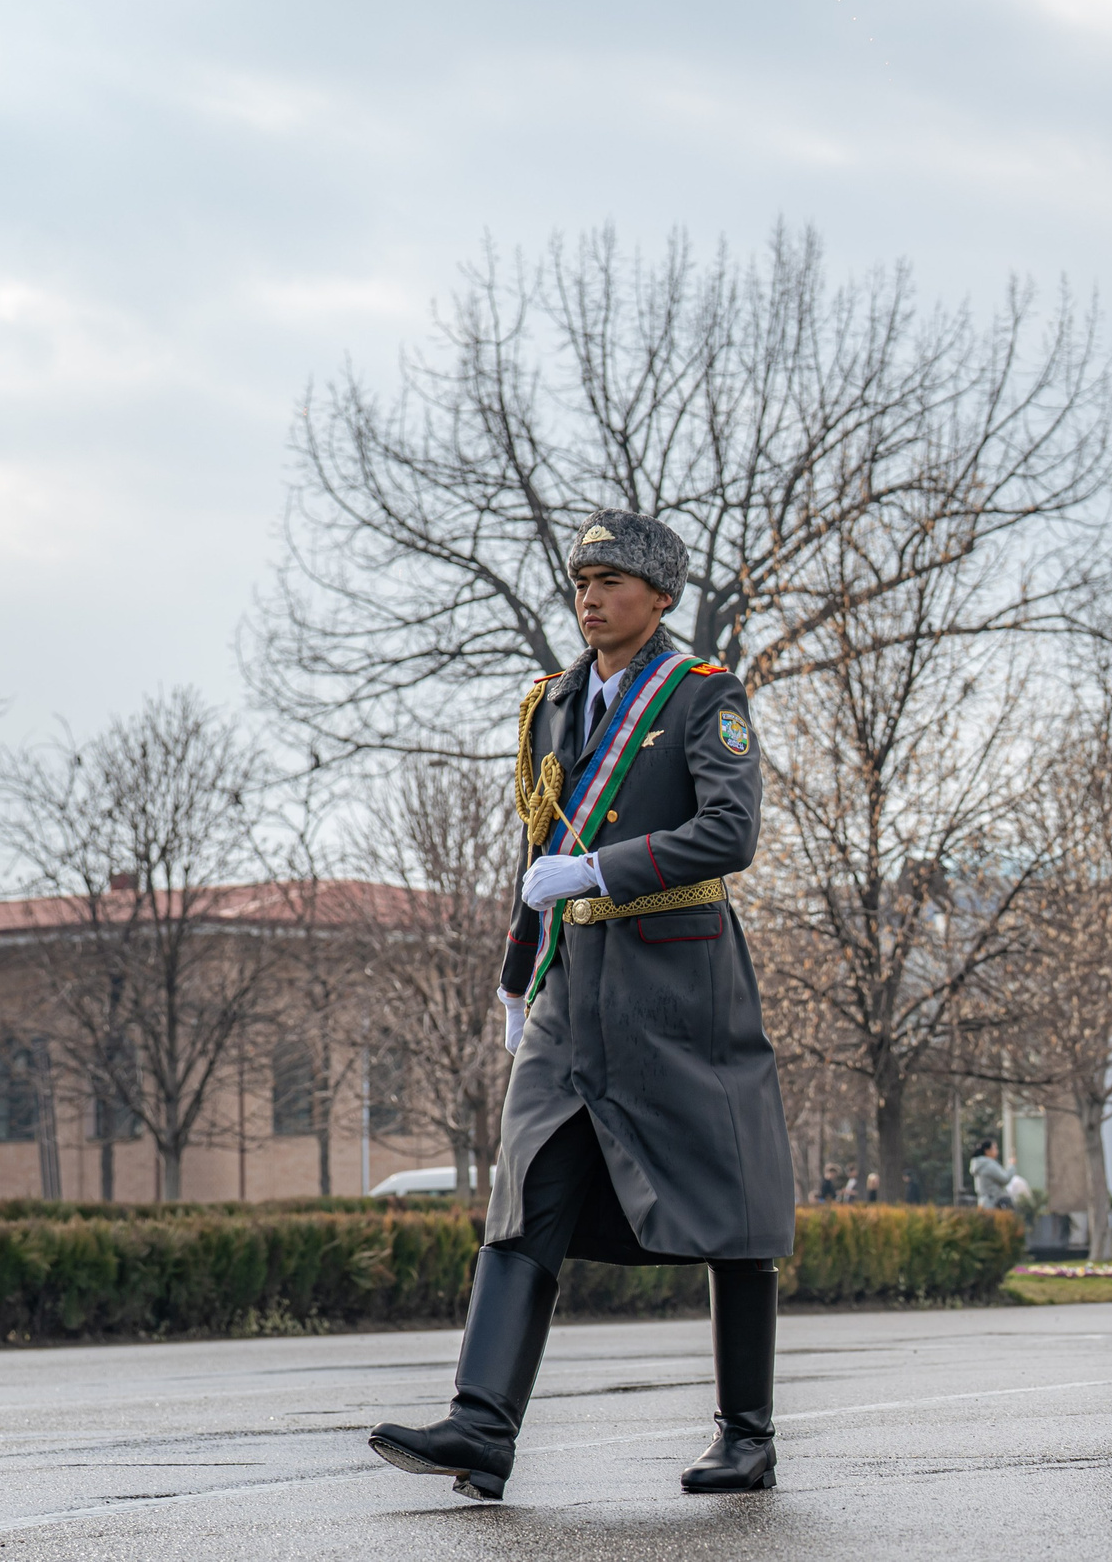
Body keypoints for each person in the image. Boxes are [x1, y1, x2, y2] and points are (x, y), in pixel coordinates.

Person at [368, 509, 791, 1500]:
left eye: (610, 581)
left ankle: (746, 1435)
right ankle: (481, 1425)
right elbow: (535, 860)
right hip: (574, 984)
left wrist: (603, 867)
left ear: (661, 597)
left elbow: (730, 834)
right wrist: (517, 972)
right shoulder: (553, 704)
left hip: (681, 981)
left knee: (733, 1206)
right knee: (526, 1194)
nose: (589, 598)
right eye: (580, 581)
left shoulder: (702, 696)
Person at [970, 1140, 1018, 1211]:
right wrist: (1012, 1165)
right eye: (995, 1148)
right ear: (987, 1151)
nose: (997, 1151)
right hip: (993, 1203)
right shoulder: (989, 1165)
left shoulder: (979, 1164)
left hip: (983, 1202)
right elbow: (1005, 1179)